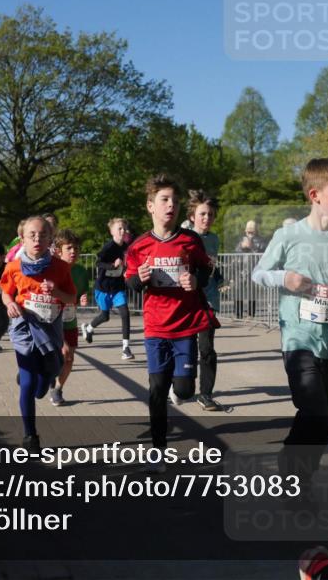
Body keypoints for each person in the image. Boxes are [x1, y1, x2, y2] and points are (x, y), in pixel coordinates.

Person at [252, 158, 328, 485]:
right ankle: (292, 468)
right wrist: (285, 278)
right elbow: (259, 272)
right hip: (299, 340)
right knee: (315, 412)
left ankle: (301, 474)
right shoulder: (289, 235)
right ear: (315, 194)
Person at [125, 174, 215, 472]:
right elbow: (130, 283)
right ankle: (158, 451)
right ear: (150, 206)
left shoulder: (190, 240)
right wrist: (140, 279)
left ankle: (183, 387)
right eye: (164, 200)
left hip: (185, 326)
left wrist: (195, 280)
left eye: (175, 202)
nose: (171, 206)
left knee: (186, 390)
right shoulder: (139, 246)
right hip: (155, 327)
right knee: (156, 390)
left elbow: (205, 271)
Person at [0, 215, 77, 452]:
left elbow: (71, 299)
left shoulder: (60, 267)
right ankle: (30, 436)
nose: (37, 239)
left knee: (43, 386)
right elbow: (6, 293)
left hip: (50, 328)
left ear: (50, 238)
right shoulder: (13, 267)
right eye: (32, 235)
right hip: (24, 326)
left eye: (43, 235)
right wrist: (10, 304)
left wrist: (56, 292)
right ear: (22, 238)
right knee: (28, 383)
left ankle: (42, 381)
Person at [188, 190, 225, 411]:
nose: (207, 218)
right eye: (202, 214)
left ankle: (206, 394)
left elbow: (211, 265)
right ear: (193, 216)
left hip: (207, 299)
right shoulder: (184, 236)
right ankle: (178, 385)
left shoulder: (214, 239)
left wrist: (219, 279)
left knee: (207, 348)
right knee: (185, 347)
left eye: (210, 214)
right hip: (185, 301)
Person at [84, 217, 133, 359]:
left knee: (125, 313)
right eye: (119, 228)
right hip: (103, 288)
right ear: (112, 232)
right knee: (105, 316)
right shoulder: (108, 247)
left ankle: (126, 348)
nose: (122, 231)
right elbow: (98, 263)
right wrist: (112, 265)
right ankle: (88, 328)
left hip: (118, 288)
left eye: (124, 228)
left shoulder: (126, 248)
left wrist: (127, 269)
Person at [51, 229, 90, 406]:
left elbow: (81, 293)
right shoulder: (52, 269)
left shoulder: (81, 271)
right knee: (62, 353)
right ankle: (42, 374)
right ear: (59, 250)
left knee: (69, 358)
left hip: (70, 321)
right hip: (51, 322)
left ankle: (57, 389)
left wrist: (83, 298)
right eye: (69, 248)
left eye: (76, 248)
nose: (74, 251)